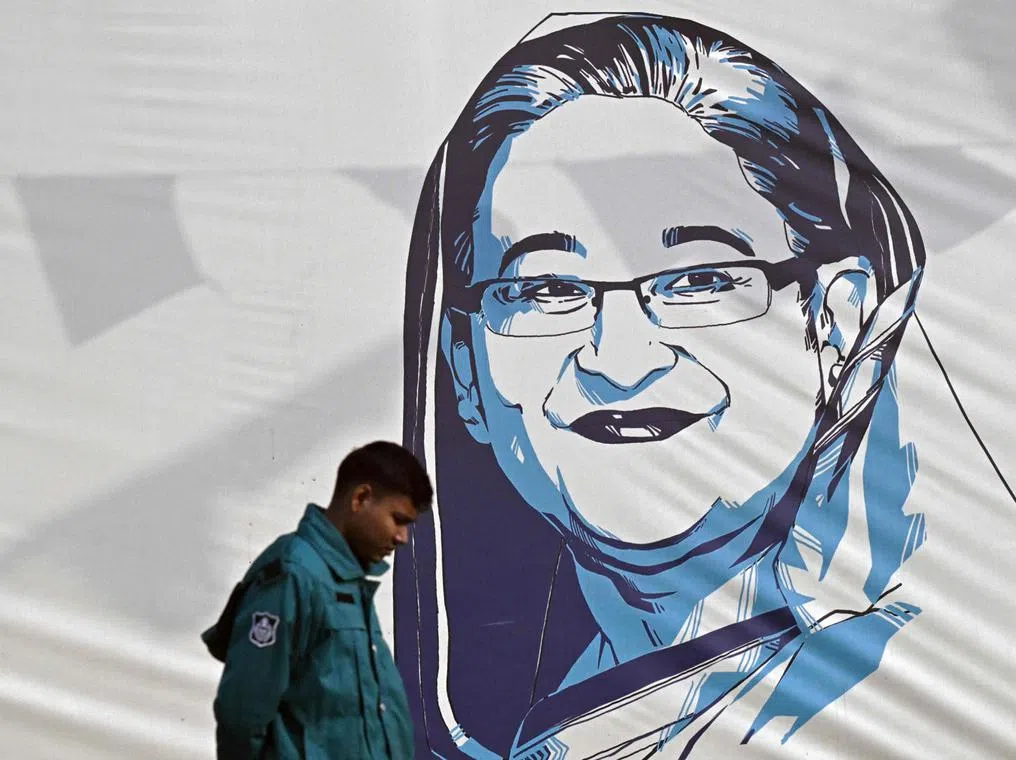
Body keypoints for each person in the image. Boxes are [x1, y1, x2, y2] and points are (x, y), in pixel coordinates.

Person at [396, 12, 928, 759]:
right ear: (466, 371)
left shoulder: (903, 689)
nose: (619, 359)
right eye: (547, 289)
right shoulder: (548, 725)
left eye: (700, 279)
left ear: (834, 322)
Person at [202, 441, 432, 759]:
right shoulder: (294, 573)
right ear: (360, 498)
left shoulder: (345, 577)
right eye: (398, 519)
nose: (402, 537)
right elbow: (243, 711)